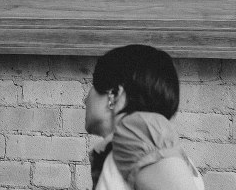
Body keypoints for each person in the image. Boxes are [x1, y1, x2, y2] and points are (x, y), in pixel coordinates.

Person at [85, 45, 205, 190]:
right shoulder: (142, 142)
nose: (86, 99)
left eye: (92, 85)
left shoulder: (136, 131)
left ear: (114, 94)